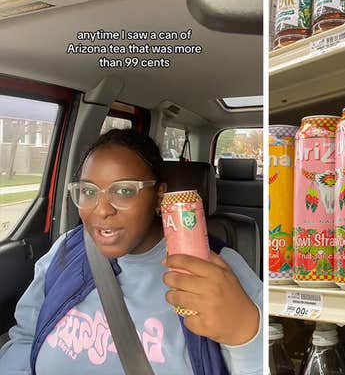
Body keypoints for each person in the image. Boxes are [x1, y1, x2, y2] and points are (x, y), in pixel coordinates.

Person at [0, 129, 263, 374]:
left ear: (159, 196)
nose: (102, 210)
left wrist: (245, 336)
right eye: (88, 191)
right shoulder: (67, 250)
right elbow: (26, 337)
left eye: (124, 191)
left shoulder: (218, 267)